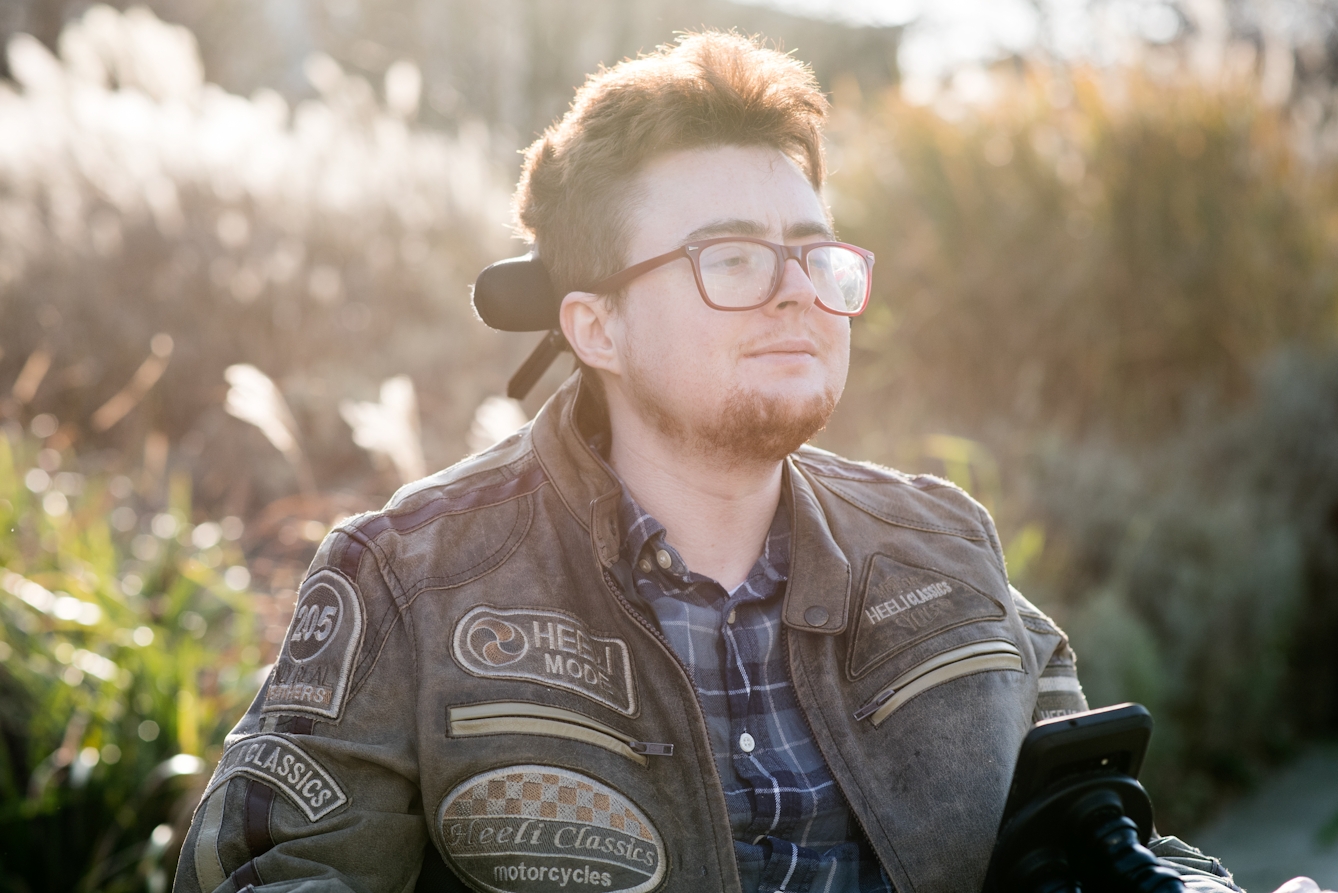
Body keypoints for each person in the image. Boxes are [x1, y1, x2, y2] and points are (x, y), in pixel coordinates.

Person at [175, 31, 1255, 893]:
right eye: (731, 257)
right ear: (595, 327)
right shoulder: (404, 578)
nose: (799, 290)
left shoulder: (945, 550)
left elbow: (1091, 830)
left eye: (813, 251)